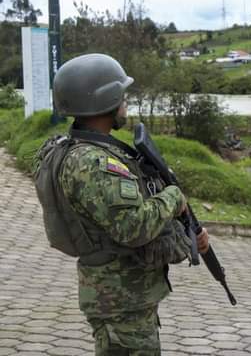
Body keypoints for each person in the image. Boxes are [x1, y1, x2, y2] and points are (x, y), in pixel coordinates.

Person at [33, 54, 210, 355]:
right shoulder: (95, 163)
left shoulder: (78, 151)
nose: (125, 102)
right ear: (106, 101)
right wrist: (173, 197)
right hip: (120, 301)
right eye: (122, 95)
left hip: (121, 296)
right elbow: (134, 227)